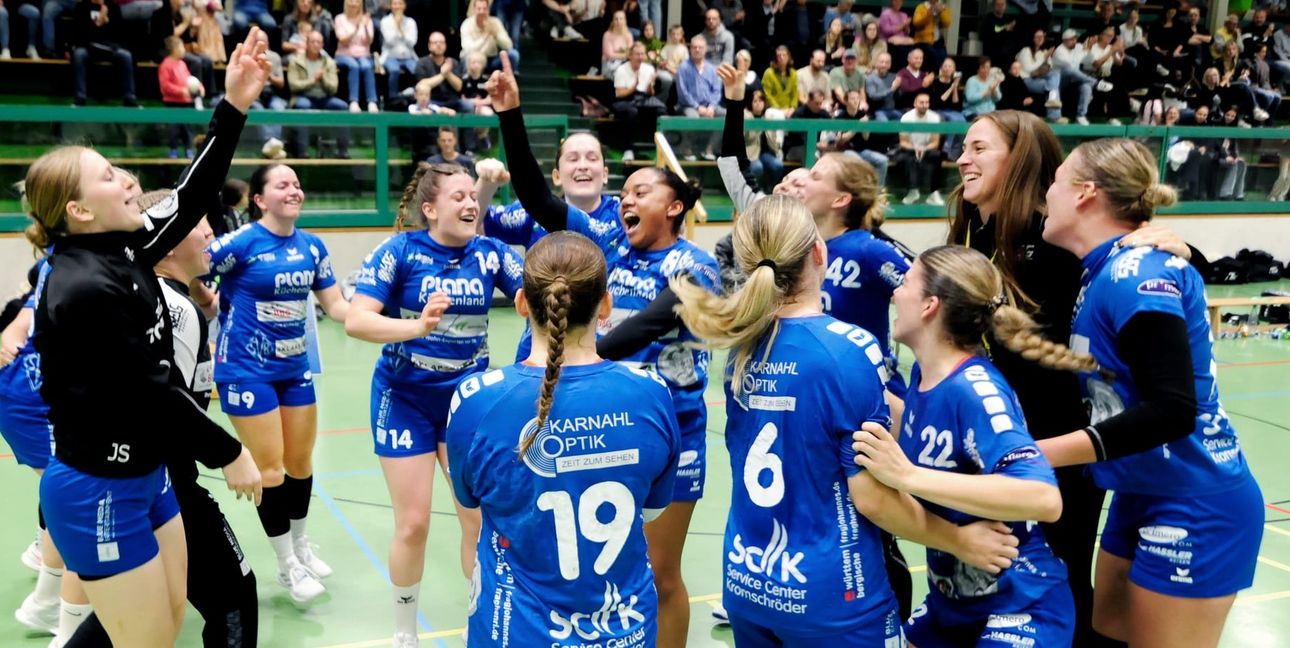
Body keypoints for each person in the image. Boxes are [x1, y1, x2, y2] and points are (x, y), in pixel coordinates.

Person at [674, 196, 1022, 645]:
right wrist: (959, 540)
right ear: (819, 253)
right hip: (834, 596)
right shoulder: (848, 347)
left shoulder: (744, 342)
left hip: (748, 581)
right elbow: (872, 497)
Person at [23, 30, 267, 647]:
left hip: (150, 473)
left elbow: (190, 198)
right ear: (79, 210)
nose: (128, 184)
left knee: (162, 626)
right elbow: (148, 390)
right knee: (145, 641)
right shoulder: (80, 287)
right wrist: (228, 452)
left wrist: (233, 105)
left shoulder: (122, 244)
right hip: (96, 487)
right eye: (109, 178)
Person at [488, 51, 720, 648]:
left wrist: (560, 349)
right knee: (600, 568)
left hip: (673, 427)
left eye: (641, 190)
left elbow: (638, 330)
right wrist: (512, 116)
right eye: (626, 191)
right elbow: (541, 200)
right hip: (604, 422)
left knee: (662, 574)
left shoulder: (692, 264)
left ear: (674, 207)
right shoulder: (610, 245)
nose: (625, 198)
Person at [947, 111, 1204, 647]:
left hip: (1063, 449)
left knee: (1059, 583)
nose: (962, 159)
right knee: (1002, 579)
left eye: (977, 148)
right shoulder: (976, 229)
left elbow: (1148, 260)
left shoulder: (1053, 236)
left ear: (1016, 159)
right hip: (1004, 441)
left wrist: (1181, 246)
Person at [1037, 138, 1263, 648]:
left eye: (1055, 182)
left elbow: (1173, 409)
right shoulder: (1103, 269)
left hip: (1195, 498)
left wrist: (1036, 455)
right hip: (1141, 490)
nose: (1044, 195)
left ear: (1085, 194)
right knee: (1105, 633)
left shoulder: (1135, 272)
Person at [445, 231, 680, 647]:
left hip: (517, 632)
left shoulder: (477, 401)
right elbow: (653, 511)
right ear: (605, 306)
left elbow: (470, 501)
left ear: (521, 303)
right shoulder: (653, 394)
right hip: (623, 632)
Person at [851, 244, 1073, 647]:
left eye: (905, 284)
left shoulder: (976, 390)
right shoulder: (925, 374)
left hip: (1020, 604)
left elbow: (1043, 496)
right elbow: (926, 425)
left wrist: (908, 475)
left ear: (929, 306)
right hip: (952, 604)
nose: (896, 293)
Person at [70, 201, 261, 648]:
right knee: (232, 598)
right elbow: (156, 403)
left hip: (152, 478)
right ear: (169, 246)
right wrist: (229, 452)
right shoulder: (172, 309)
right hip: (161, 481)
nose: (213, 232)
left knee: (138, 610)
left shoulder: (167, 299)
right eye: (201, 225)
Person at [346, 162, 523, 648]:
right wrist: (416, 329)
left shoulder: (490, 253)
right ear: (429, 209)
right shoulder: (399, 251)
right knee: (414, 522)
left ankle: (480, 614)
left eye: (474, 196)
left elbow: (532, 296)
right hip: (404, 398)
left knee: (478, 520)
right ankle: (405, 630)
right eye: (459, 196)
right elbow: (357, 322)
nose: (471, 204)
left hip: (466, 403)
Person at [207, 162, 350, 604]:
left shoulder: (311, 247)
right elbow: (192, 270)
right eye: (282, 184)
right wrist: (207, 305)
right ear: (259, 199)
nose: (294, 190)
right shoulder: (241, 242)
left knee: (300, 462)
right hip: (246, 369)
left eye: (297, 183)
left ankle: (303, 545)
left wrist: (399, 322)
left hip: (294, 368)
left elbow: (338, 307)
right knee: (269, 469)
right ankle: (286, 564)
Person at [70, 0, 136, 107]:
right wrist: (99, 22)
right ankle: (80, 97)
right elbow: (81, 33)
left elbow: (118, 33)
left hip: (109, 48)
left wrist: (107, 21)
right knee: (79, 54)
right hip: (88, 47)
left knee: (126, 56)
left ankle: (129, 98)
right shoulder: (82, 6)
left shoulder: (113, 7)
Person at [676, 35, 725, 160]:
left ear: (705, 49)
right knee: (693, 117)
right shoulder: (683, 67)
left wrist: (712, 107)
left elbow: (717, 90)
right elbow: (683, 92)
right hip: (689, 105)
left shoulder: (712, 68)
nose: (697, 50)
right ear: (690, 49)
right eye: (694, 47)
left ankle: (710, 148)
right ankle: (686, 148)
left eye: (700, 47)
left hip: (709, 106)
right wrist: (698, 107)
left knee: (728, 116)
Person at [896, 92, 943, 205]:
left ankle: (933, 194)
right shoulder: (906, 118)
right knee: (905, 158)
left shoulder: (934, 117)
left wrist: (924, 149)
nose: (924, 105)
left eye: (927, 102)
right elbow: (903, 142)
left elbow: (935, 142)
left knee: (937, 156)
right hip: (911, 148)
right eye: (921, 102)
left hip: (927, 148)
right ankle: (913, 191)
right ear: (915, 104)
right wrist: (915, 148)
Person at [334, 0, 379, 113]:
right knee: (353, 65)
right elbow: (343, 40)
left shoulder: (366, 19)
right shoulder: (340, 18)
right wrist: (357, 26)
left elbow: (369, 41)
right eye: (351, 1)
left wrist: (364, 26)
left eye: (357, 1)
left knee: (367, 66)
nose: (354, 3)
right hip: (344, 54)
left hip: (363, 54)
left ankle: (372, 102)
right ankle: (354, 101)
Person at [461, 0, 517, 71]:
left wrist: (496, 35)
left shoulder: (495, 22)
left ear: (488, 10)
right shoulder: (467, 24)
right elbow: (468, 49)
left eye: (484, 9)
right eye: (479, 9)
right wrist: (486, 35)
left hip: (492, 59)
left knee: (513, 54)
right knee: (468, 58)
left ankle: (510, 79)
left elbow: (508, 46)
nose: (482, 12)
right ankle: (470, 81)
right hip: (474, 58)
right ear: (474, 10)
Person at [380, 0, 418, 101]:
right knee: (394, 70)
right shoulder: (385, 21)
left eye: (400, 4)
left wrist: (401, 29)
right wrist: (396, 26)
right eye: (394, 4)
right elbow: (389, 42)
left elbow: (412, 42)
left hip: (408, 56)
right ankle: (393, 98)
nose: (397, 6)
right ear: (391, 6)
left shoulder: (411, 22)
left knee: (417, 70)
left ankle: (414, 95)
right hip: (390, 56)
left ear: (404, 6)